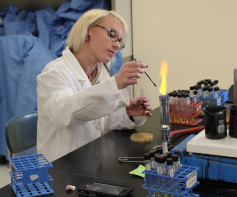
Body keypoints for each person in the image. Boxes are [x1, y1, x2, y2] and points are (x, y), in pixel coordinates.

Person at [36, 9, 152, 162]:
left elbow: (99, 120)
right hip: (61, 169)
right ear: (89, 30)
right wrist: (115, 83)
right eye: (112, 34)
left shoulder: (100, 72)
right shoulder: (53, 73)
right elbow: (66, 114)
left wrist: (126, 113)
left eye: (120, 41)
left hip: (91, 161)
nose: (117, 45)